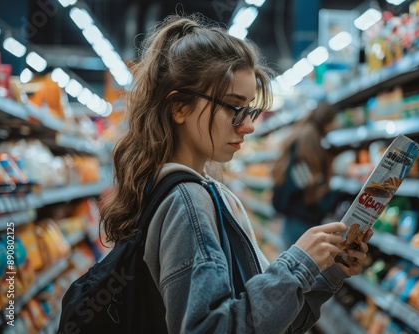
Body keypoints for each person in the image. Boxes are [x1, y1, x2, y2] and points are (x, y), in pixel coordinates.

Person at [100, 14, 372, 333]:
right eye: (234, 107)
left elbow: (260, 322)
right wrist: (297, 264)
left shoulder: (185, 190)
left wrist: (325, 273)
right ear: (179, 108)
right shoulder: (188, 203)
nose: (249, 125)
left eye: (250, 110)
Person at [272, 103, 347, 248]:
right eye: (335, 120)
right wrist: (336, 196)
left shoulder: (303, 135)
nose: (337, 124)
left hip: (291, 219)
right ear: (328, 121)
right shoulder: (309, 142)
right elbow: (305, 183)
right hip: (301, 222)